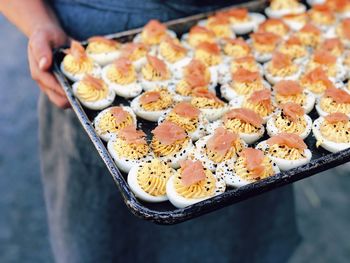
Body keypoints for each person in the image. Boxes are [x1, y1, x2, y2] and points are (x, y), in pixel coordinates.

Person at [0, 1, 301, 262]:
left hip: (242, 51)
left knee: (240, 232)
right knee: (108, 238)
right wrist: (38, 22)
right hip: (90, 50)